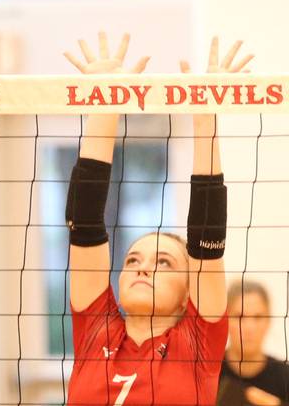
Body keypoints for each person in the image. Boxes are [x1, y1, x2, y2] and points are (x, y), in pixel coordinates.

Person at [63, 34, 252, 405]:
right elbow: (84, 222)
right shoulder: (94, 328)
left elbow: (206, 237)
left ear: (188, 295)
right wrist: (105, 104)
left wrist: (205, 116)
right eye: (133, 260)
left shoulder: (198, 341)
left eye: (163, 262)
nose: (142, 268)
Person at [217, 281, 289, 405]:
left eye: (257, 317)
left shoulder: (285, 377)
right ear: (226, 320)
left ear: (268, 321)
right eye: (240, 317)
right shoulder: (206, 371)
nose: (249, 328)